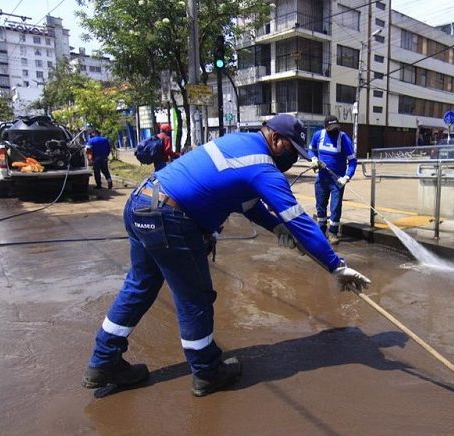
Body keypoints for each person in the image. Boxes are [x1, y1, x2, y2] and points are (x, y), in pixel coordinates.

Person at [82, 113, 371, 397]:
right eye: (291, 149)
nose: (292, 158)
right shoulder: (262, 166)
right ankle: (207, 372)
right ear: (275, 137)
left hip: (142, 202)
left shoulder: (239, 142)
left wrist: (275, 226)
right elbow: (299, 220)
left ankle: (103, 362)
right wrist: (336, 265)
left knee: (140, 287)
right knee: (195, 298)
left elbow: (246, 202)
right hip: (170, 217)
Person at [307, 115, 357, 245]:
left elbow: (352, 160)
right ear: (325, 127)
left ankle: (333, 232)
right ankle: (321, 230)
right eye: (331, 128)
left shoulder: (343, 138)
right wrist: (313, 159)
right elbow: (311, 150)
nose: (334, 131)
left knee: (335, 207)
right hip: (322, 178)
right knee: (320, 206)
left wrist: (346, 177)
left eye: (336, 128)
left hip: (337, 181)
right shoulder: (319, 135)